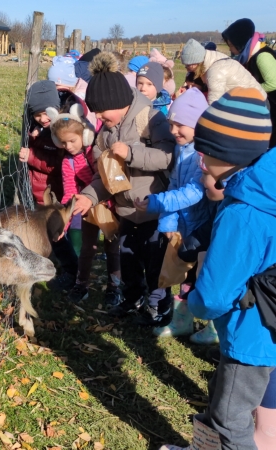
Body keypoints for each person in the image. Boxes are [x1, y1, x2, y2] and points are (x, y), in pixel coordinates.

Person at [161, 87, 276, 450]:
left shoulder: (241, 213)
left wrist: (192, 302)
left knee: (230, 417)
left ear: (229, 154)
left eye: (205, 151)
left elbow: (213, 295)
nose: (199, 159)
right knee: (234, 402)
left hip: (249, 332)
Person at [71, 52, 176, 317]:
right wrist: (89, 197)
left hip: (153, 208)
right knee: (128, 258)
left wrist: (130, 154)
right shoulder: (105, 133)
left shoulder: (151, 120)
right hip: (126, 210)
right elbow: (105, 176)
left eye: (101, 113)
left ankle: (159, 306)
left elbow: (167, 157)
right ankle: (133, 298)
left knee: (155, 262)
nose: (98, 118)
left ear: (117, 103)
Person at [131, 87, 215, 334]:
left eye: (181, 125)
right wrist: (168, 222)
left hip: (201, 224)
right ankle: (182, 320)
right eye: (171, 124)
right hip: (183, 223)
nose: (174, 131)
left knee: (201, 274)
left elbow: (193, 192)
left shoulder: (202, 155)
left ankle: (212, 326)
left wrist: (157, 203)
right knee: (182, 272)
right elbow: (175, 185)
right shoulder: (182, 149)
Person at [48, 104, 123, 304]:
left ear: (86, 135)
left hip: (109, 206)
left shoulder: (97, 152)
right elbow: (69, 190)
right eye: (63, 143)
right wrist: (64, 219)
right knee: (87, 248)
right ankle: (81, 284)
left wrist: (110, 201)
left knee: (112, 247)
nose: (69, 147)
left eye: (72, 141)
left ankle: (115, 287)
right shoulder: (68, 162)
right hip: (86, 208)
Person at [19, 80, 78, 290]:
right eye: (37, 115)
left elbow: (57, 165)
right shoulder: (38, 128)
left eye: (46, 113)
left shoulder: (61, 131)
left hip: (57, 194)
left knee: (59, 234)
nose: (43, 118)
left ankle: (72, 272)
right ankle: (56, 266)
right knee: (51, 235)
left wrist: (32, 155)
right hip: (40, 191)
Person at [223, 18, 276, 148]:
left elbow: (273, 84)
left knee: (275, 146)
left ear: (241, 43)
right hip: (270, 106)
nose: (230, 49)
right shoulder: (250, 55)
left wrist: (247, 91)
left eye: (231, 45)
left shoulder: (262, 56)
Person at [179, 39, 265, 105]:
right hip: (252, 101)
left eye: (187, 65)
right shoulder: (214, 59)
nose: (186, 68)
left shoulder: (215, 71)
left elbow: (214, 105)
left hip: (254, 104)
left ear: (195, 62)